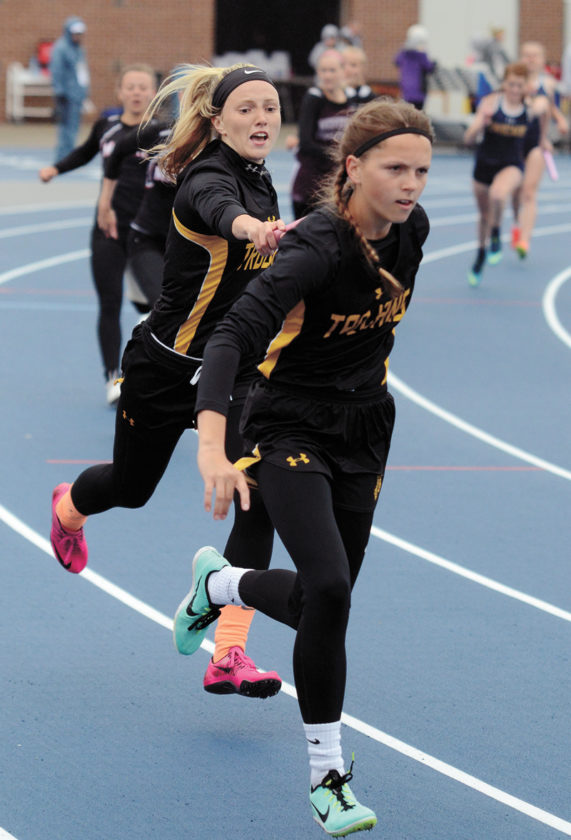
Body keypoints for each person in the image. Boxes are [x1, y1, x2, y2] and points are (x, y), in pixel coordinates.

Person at [173, 97, 434, 836]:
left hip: (366, 427)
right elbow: (230, 338)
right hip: (289, 421)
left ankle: (219, 584)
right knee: (328, 587)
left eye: (421, 171)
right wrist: (212, 448)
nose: (410, 184)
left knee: (328, 603)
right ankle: (327, 776)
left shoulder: (413, 230)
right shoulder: (316, 248)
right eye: (395, 169)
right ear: (353, 167)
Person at [49, 63, 287, 699]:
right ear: (217, 120)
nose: (261, 118)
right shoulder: (205, 180)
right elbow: (223, 212)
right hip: (164, 369)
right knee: (130, 489)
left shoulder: (263, 180)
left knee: (255, 494)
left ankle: (228, 653)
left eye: (270, 107)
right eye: (246, 108)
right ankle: (68, 509)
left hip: (232, 371)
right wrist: (254, 229)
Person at [39, 64, 158, 405]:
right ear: (120, 92)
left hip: (151, 233)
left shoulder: (164, 133)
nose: (136, 92)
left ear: (153, 93)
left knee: (159, 305)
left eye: (143, 87)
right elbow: (85, 152)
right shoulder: (107, 127)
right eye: (130, 87)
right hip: (108, 227)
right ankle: (112, 378)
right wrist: (56, 168)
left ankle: (151, 368)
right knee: (110, 302)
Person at [463, 62, 549, 286]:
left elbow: (545, 108)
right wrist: (481, 123)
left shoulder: (530, 107)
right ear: (504, 83)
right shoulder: (491, 103)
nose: (514, 90)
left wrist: (543, 138)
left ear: (526, 86)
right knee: (484, 214)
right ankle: (480, 255)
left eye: (519, 85)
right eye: (511, 84)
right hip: (484, 164)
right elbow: (468, 138)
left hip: (511, 164)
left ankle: (496, 233)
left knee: (499, 194)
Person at [510, 41, 569, 258]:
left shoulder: (549, 84)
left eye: (535, 55)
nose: (531, 59)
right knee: (516, 192)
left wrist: (559, 120)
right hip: (514, 142)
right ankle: (517, 223)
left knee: (529, 192)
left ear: (543, 60)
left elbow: (550, 107)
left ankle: (525, 240)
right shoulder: (514, 82)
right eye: (527, 55)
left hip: (536, 143)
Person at [291, 49, 356, 219]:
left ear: (343, 71)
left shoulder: (351, 99)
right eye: (323, 71)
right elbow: (305, 142)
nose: (327, 76)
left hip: (338, 181)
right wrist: (338, 154)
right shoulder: (314, 98)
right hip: (310, 183)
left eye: (332, 70)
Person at [49, 16, 90, 161]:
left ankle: (68, 156)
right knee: (65, 129)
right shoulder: (61, 48)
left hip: (77, 95)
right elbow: (56, 71)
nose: (77, 36)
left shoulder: (79, 49)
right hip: (66, 95)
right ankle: (62, 158)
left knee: (73, 127)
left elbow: (82, 72)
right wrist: (59, 92)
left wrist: (85, 92)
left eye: (80, 33)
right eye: (75, 33)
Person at [394, 25, 436, 111]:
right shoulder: (421, 54)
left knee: (407, 112)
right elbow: (428, 67)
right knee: (418, 112)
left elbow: (396, 61)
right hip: (419, 89)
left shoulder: (403, 53)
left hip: (406, 88)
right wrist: (434, 64)